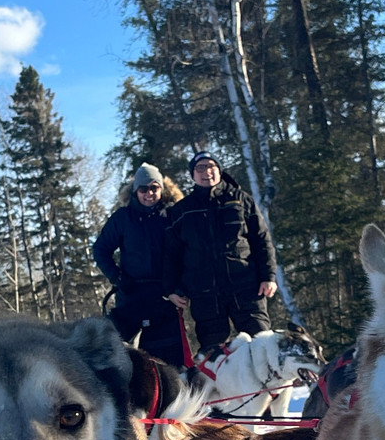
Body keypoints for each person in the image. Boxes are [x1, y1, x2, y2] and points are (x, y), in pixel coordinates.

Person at [163, 151, 278, 354]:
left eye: (211, 167)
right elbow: (171, 254)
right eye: (200, 168)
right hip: (205, 292)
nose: (206, 172)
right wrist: (172, 289)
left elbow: (262, 240)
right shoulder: (182, 210)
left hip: (245, 287)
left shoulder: (241, 200)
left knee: (262, 344)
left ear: (219, 170)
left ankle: (268, 387)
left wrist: (268, 277)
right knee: (212, 355)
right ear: (192, 175)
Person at [93, 162, 186, 366]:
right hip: (131, 296)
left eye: (154, 188)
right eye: (144, 189)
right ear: (136, 192)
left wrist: (179, 287)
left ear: (162, 188)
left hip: (164, 296)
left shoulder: (173, 216)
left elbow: (187, 253)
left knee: (169, 361)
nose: (149, 193)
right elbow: (100, 250)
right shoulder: (123, 218)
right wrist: (117, 277)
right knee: (130, 361)